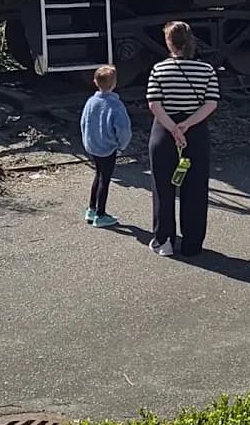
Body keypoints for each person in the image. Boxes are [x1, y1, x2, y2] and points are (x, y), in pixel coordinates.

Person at [146, 22, 220, 258]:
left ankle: (164, 241)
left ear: (169, 43)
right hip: (195, 133)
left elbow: (154, 104)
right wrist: (187, 125)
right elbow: (211, 103)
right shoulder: (206, 70)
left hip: (164, 132)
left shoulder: (158, 69)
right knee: (196, 189)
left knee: (163, 189)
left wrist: (173, 129)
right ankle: (192, 245)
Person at [80, 65, 132, 228]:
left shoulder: (91, 102)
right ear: (114, 83)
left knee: (98, 175)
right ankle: (100, 215)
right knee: (105, 179)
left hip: (93, 146)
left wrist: (87, 141)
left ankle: (91, 208)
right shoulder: (116, 106)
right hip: (108, 148)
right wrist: (122, 145)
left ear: (95, 82)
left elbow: (83, 122)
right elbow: (123, 129)